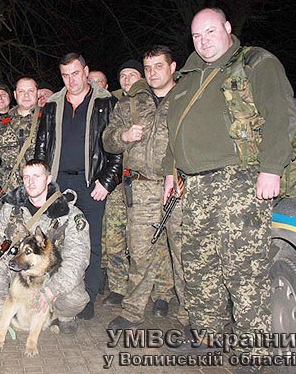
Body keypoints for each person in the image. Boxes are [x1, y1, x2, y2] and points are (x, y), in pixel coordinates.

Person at [162, 8, 296, 374]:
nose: (203, 41)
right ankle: (208, 335)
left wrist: (272, 168)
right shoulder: (187, 77)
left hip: (240, 180)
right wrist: (172, 173)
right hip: (195, 185)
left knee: (244, 269)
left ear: (227, 28)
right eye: (196, 35)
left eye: (210, 32)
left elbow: (280, 115)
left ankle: (252, 352)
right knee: (199, 265)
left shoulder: (255, 63)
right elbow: (175, 133)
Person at [103, 45, 188, 330]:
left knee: (183, 254)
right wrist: (124, 136)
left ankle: (190, 316)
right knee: (140, 253)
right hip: (141, 188)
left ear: (172, 67)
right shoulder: (130, 103)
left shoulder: (186, 97)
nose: (152, 73)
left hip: (179, 187)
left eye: (159, 66)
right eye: (148, 68)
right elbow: (108, 140)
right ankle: (132, 312)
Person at [34, 53, 122, 319]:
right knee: (54, 241)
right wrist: (42, 181)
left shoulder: (106, 103)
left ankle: (87, 297)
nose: (71, 80)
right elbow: (42, 144)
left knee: (90, 242)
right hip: (58, 183)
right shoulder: (52, 104)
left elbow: (118, 147)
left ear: (85, 71)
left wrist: (107, 181)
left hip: (91, 182)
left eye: (75, 73)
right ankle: (53, 296)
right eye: (65, 75)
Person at [0, 159, 90, 337]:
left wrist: (51, 291)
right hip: (19, 271)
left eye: (36, 176)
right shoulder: (11, 208)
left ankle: (63, 317)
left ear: (48, 179)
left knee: (75, 298)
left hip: (52, 275)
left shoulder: (68, 214)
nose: (30, 182)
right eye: (26, 177)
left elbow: (78, 260)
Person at [88, 69, 129, 303]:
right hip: (94, 180)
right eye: (91, 81)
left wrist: (108, 179)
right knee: (100, 235)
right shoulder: (85, 109)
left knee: (116, 237)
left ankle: (119, 286)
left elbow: (116, 149)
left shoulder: (113, 106)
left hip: (114, 181)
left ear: (106, 86)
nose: (94, 85)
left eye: (99, 82)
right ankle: (101, 276)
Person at [0, 77, 39, 194]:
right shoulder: (0, 123)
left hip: (39, 192)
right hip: (9, 192)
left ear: (37, 93)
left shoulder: (49, 120)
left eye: (30, 91)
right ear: (15, 94)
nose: (26, 95)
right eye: (21, 91)